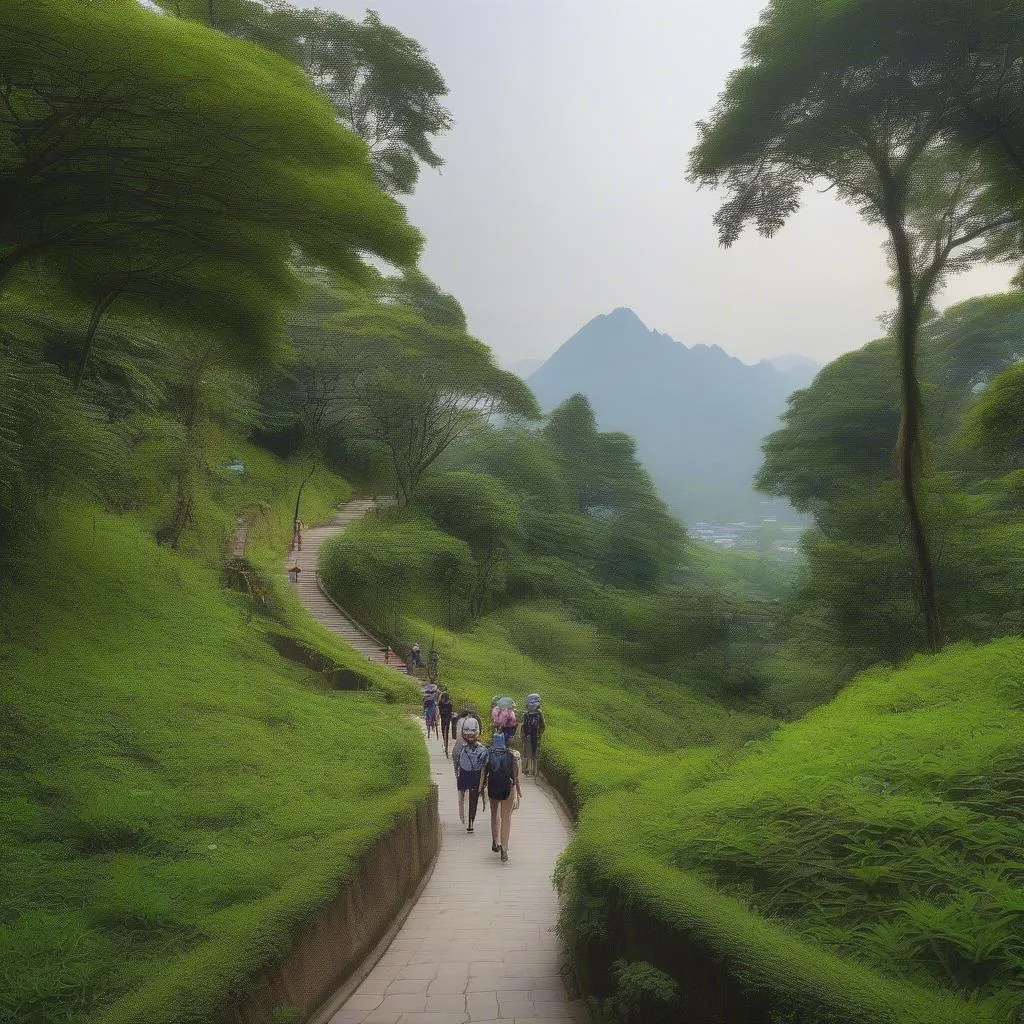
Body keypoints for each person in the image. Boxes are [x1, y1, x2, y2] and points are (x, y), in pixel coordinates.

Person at [481, 732, 521, 862]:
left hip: (493, 788)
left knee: (494, 814)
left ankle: (495, 840)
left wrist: (480, 787)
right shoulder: (511, 755)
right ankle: (504, 849)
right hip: (507, 789)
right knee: (506, 818)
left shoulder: (488, 754)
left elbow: (483, 774)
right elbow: (515, 777)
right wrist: (517, 791)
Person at [454, 716, 488, 832]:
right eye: (467, 733)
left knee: (473, 800)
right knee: (462, 799)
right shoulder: (460, 748)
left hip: (474, 776)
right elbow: (456, 762)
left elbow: (484, 768)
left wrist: (482, 783)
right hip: (463, 775)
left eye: (472, 733)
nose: (470, 736)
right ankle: (465, 819)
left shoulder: (482, 750)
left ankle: (470, 822)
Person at [522, 693, 545, 776]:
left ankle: (526, 769)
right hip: (535, 736)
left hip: (529, 736)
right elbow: (543, 725)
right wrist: (540, 733)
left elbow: (523, 725)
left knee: (527, 752)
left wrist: (523, 735)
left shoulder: (526, 714)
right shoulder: (539, 713)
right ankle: (534, 771)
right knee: (535, 753)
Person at [438, 688, 454, 757]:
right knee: (446, 732)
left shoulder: (441, 703)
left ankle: (445, 744)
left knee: (443, 731)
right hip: (447, 720)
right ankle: (446, 743)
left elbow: (439, 706)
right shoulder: (450, 703)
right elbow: (450, 712)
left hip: (443, 719)